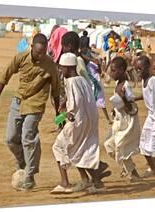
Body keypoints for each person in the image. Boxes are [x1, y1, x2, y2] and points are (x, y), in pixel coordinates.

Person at [0, 33, 60, 191]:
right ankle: (22, 162)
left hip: (36, 104)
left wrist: (58, 115)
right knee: (11, 138)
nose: (41, 55)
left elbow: (56, 90)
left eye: (44, 52)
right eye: (38, 52)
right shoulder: (21, 57)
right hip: (19, 101)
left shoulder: (50, 64)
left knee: (28, 136)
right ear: (32, 47)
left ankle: (29, 176)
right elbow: (5, 74)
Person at [59, 32, 111, 191]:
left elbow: (81, 93)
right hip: (85, 111)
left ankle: (88, 174)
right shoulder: (79, 62)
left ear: (68, 46)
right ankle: (94, 176)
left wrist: (63, 115)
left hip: (81, 113)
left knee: (71, 146)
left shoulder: (75, 71)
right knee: (81, 146)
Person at [50, 53, 106, 194]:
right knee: (79, 149)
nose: (60, 71)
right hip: (88, 120)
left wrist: (68, 113)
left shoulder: (71, 81)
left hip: (77, 121)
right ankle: (89, 179)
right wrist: (66, 104)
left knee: (59, 147)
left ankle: (65, 183)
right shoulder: (82, 79)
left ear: (68, 68)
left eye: (62, 68)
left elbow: (77, 101)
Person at [104, 57, 141, 182]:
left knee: (120, 147)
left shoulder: (126, 86)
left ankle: (132, 172)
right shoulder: (117, 84)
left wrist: (124, 97)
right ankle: (129, 168)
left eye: (114, 70)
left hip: (127, 121)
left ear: (121, 70)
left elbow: (131, 108)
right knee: (109, 145)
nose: (112, 73)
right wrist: (114, 110)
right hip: (118, 120)